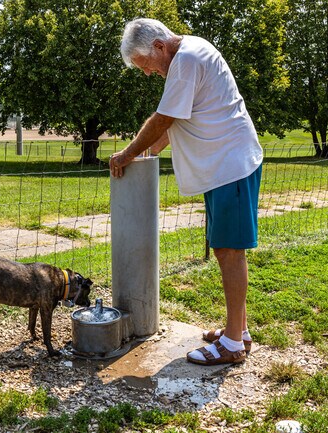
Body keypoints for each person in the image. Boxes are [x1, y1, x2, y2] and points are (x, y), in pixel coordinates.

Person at [110, 18, 263, 366]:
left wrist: (128, 154)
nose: (148, 74)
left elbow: (163, 120)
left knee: (229, 250)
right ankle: (237, 328)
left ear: (160, 47)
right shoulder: (192, 51)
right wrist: (146, 156)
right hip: (223, 166)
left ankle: (234, 344)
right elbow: (175, 121)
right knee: (226, 248)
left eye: (146, 65)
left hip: (231, 165)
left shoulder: (186, 60)